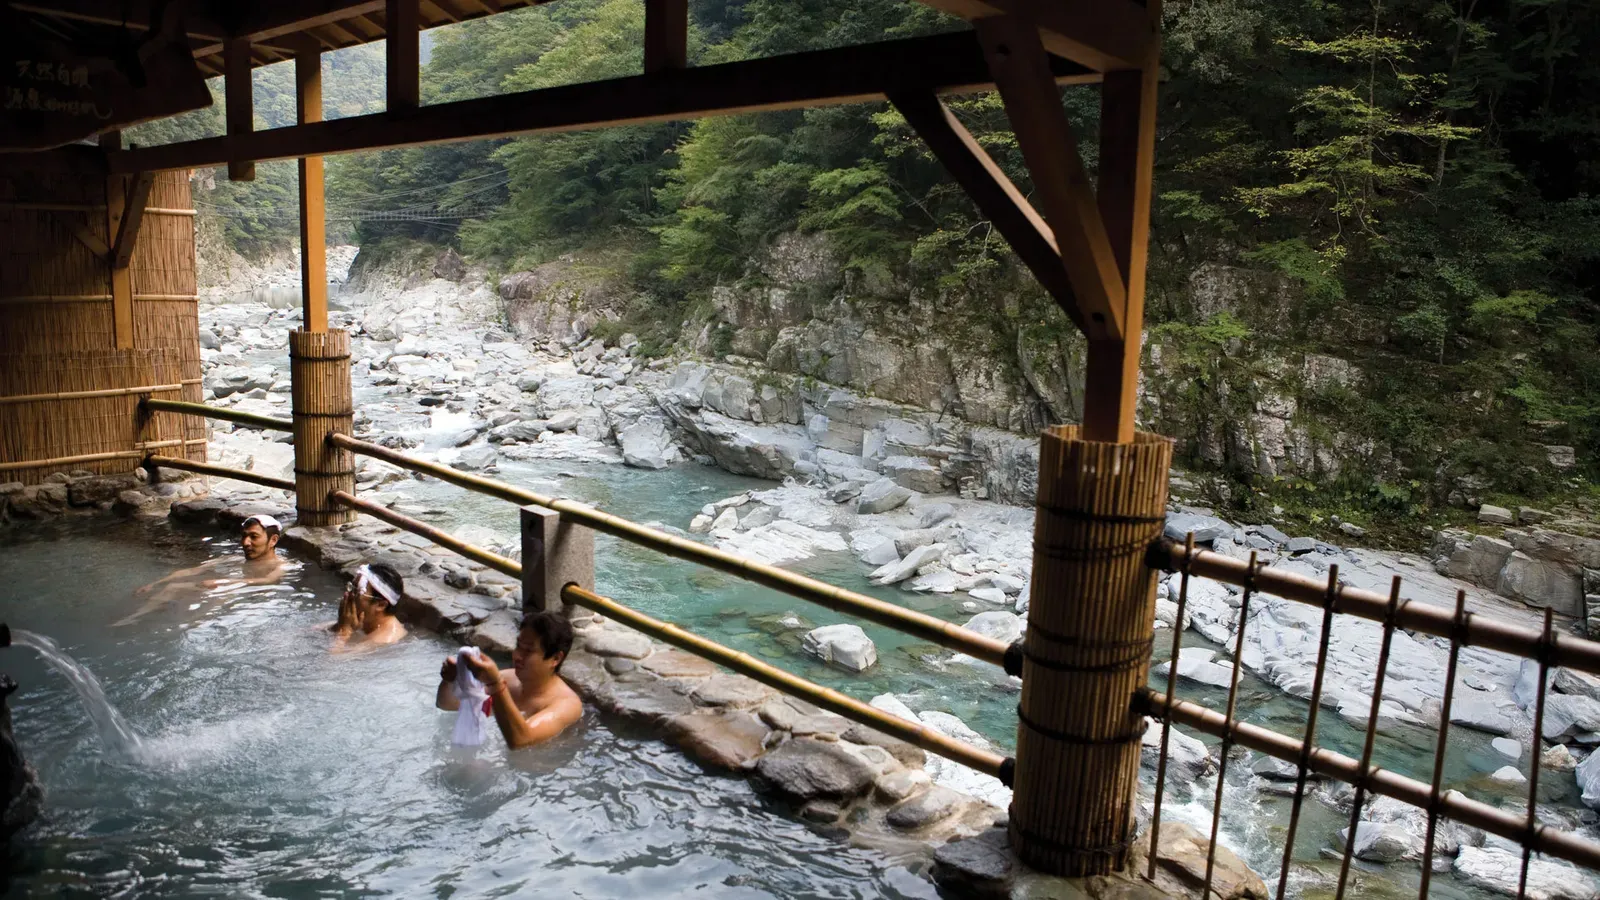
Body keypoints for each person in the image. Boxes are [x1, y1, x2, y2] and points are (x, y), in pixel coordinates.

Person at [435, 611, 582, 749]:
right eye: (518, 646)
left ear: (555, 658)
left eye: (528, 651)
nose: (517, 655)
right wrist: (452, 680)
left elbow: (521, 740)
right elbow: (447, 704)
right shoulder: (509, 680)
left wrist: (495, 685)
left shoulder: (566, 705)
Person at [116, 514, 288, 625]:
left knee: (220, 594)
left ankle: (183, 625)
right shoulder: (233, 559)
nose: (245, 543)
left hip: (254, 605)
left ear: (273, 540)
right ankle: (134, 618)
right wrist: (155, 583)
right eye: (244, 536)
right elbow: (192, 571)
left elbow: (268, 580)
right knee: (173, 587)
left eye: (253, 537)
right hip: (226, 589)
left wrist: (225, 582)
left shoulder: (283, 565)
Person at [329, 563, 407, 651]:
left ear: (381, 605)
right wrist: (340, 624)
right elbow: (317, 630)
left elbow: (333, 658)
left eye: (356, 591)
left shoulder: (383, 640)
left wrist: (344, 632)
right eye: (351, 587)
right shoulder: (366, 621)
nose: (348, 594)